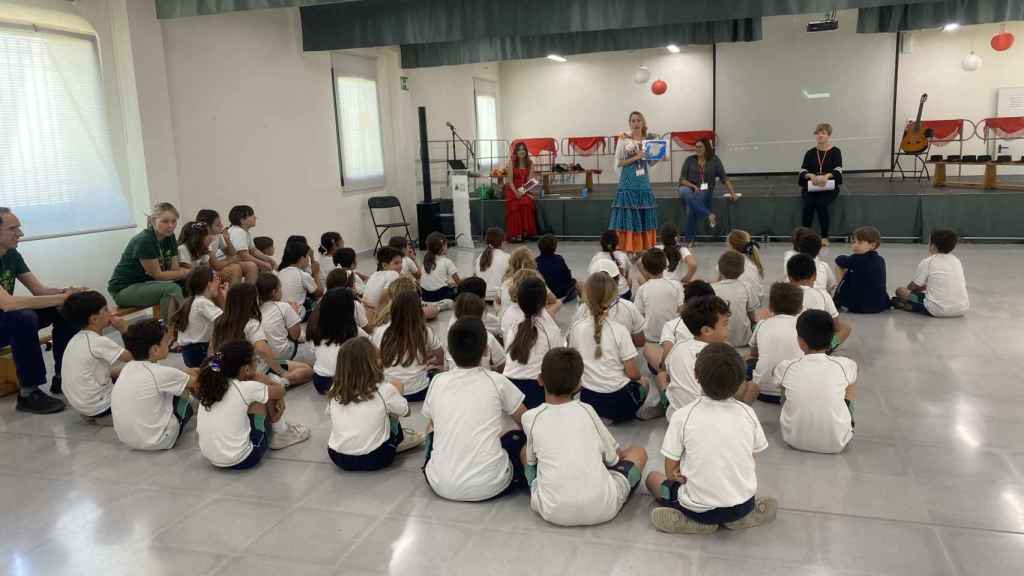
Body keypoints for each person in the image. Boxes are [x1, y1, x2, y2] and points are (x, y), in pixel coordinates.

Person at [646, 343, 777, 535]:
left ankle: (694, 520)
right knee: (736, 491)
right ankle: (737, 518)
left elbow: (670, 469)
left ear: (696, 375)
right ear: (741, 380)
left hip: (698, 508)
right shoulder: (748, 413)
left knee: (652, 479)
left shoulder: (683, 416)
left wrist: (680, 474)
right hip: (742, 505)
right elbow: (752, 458)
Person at [522, 347, 648, 526]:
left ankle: (537, 489)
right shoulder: (587, 410)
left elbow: (532, 461)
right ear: (579, 384)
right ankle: (625, 490)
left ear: (540, 379)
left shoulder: (530, 417)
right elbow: (613, 459)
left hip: (551, 511)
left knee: (524, 452)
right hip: (604, 509)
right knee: (638, 452)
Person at [423, 318, 528, 501]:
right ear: (485, 350)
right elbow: (527, 421)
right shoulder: (497, 381)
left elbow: (432, 425)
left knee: (434, 431)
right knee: (517, 438)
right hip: (490, 485)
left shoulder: (438, 381)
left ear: (450, 352)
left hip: (438, 482)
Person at [0, 207, 76, 413]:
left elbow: (38, 290)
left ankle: (63, 377)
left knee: (65, 308)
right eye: (12, 228)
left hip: (5, 319)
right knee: (22, 318)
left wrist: (67, 293)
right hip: (8, 317)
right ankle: (28, 392)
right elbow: (8, 304)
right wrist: (61, 297)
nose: (20, 234)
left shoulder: (11, 255)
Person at [568, 273, 661, 422]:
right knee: (644, 382)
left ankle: (600, 415)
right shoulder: (620, 330)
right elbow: (633, 373)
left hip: (588, 398)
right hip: (619, 400)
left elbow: (575, 362)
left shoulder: (577, 327)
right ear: (613, 298)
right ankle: (618, 416)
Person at [326, 337, 424, 471]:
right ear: (372, 364)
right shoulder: (383, 390)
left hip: (338, 456)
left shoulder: (335, 389)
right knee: (396, 386)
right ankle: (397, 437)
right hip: (375, 458)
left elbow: (329, 413)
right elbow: (406, 412)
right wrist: (396, 391)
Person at [659, 295, 758, 418]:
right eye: (725, 324)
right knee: (753, 386)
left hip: (678, 416)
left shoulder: (677, 348)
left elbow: (668, 376)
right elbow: (733, 388)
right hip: (712, 419)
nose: (729, 328)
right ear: (706, 330)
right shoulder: (721, 354)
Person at [776, 310, 857, 454]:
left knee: (784, 383)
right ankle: (844, 423)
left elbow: (775, 375)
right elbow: (854, 371)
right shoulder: (845, 364)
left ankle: (796, 417)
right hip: (837, 443)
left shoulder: (787, 366)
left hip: (793, 439)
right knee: (850, 382)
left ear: (801, 342)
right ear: (832, 337)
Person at [195, 341, 284, 469]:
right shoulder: (246, 388)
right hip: (245, 458)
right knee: (260, 399)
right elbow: (280, 391)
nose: (257, 364)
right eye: (256, 361)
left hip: (211, 458)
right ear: (247, 369)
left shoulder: (211, 386)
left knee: (257, 396)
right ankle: (279, 432)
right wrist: (261, 378)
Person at [112, 319, 197, 451]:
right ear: (155, 349)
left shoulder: (127, 368)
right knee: (185, 395)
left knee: (166, 387)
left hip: (127, 439)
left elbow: (168, 375)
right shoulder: (162, 373)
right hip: (160, 440)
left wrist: (182, 373)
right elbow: (196, 383)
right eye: (165, 341)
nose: (169, 344)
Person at [210, 283, 311, 391]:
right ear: (251, 301)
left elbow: (212, 350)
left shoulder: (219, 321)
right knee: (307, 370)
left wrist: (216, 372)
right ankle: (278, 382)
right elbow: (262, 349)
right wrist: (281, 372)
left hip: (230, 373)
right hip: (256, 370)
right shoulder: (250, 323)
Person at [107, 202, 188, 322]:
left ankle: (181, 326)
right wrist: (185, 272)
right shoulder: (144, 240)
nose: (170, 226)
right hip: (124, 289)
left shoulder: (170, 237)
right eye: (165, 221)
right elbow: (158, 275)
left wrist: (186, 275)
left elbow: (174, 269)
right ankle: (168, 331)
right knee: (172, 290)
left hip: (146, 284)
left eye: (174, 221)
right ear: (153, 220)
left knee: (187, 285)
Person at [60, 291, 132, 424]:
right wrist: (123, 329)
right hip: (101, 406)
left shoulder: (77, 339)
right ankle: (109, 414)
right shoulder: (98, 342)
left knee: (123, 371)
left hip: (82, 405)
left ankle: (97, 414)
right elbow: (134, 356)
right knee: (139, 375)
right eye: (105, 309)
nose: (111, 312)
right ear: (94, 319)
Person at [372, 289, 444, 402]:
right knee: (439, 374)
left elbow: (377, 360)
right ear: (418, 310)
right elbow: (440, 352)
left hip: (391, 391)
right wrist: (438, 362)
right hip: (419, 391)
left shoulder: (380, 331)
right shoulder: (424, 331)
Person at [609, 111, 661, 253]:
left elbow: (649, 163)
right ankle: (627, 246)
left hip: (643, 181)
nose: (636, 123)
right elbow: (619, 162)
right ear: (629, 123)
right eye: (633, 120)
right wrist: (637, 156)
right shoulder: (624, 139)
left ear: (643, 122)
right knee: (628, 212)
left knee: (643, 211)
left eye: (638, 120)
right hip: (628, 180)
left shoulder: (649, 140)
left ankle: (642, 246)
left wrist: (660, 157)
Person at [892, 229, 969, 317]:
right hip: (962, 308)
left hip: (937, 310)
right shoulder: (956, 261)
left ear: (933, 246)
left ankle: (909, 305)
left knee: (900, 291)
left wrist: (908, 292)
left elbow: (912, 286)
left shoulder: (928, 261)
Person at [678, 137, 740, 247]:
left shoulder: (714, 160)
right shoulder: (689, 160)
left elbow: (724, 178)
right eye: (696, 147)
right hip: (688, 187)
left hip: (704, 190)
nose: (697, 149)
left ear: (706, 147)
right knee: (684, 191)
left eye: (700, 147)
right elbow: (682, 180)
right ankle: (708, 214)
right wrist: (693, 186)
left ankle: (690, 239)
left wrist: (732, 193)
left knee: (690, 207)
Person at [749, 282, 804, 403]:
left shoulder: (762, 324)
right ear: (801, 307)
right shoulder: (803, 326)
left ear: (770, 306)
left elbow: (754, 353)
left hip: (762, 392)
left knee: (748, 363)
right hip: (794, 392)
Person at [573, 262, 646, 348]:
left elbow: (574, 342)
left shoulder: (582, 309)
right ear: (618, 280)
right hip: (623, 358)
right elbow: (640, 342)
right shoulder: (629, 307)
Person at [634, 248, 685, 372]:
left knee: (652, 365)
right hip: (674, 337)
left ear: (645, 269)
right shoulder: (676, 285)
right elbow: (681, 309)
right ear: (665, 266)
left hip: (651, 337)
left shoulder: (643, 289)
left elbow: (637, 316)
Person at [256, 273, 315, 375]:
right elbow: (295, 335)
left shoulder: (257, 312)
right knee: (316, 354)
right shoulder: (283, 306)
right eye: (280, 288)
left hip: (267, 360)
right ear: (274, 292)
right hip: (286, 354)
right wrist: (295, 314)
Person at [787, 254, 851, 349]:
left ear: (789, 277)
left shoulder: (782, 293)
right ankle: (825, 349)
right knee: (846, 328)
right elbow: (836, 326)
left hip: (787, 341)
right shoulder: (822, 294)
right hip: (811, 346)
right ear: (815, 276)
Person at [310, 288, 366, 394]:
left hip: (319, 381)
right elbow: (372, 347)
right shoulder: (353, 330)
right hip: (344, 382)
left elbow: (314, 352)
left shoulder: (317, 329)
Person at [798, 123, 844, 244]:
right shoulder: (810, 152)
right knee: (808, 204)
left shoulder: (835, 151)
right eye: (818, 133)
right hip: (812, 186)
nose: (820, 135)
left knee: (821, 204)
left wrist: (827, 176)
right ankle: (805, 237)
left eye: (823, 133)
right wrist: (811, 175)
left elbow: (838, 170)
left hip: (828, 186)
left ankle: (824, 237)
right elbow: (802, 171)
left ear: (828, 135)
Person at [173, 266, 226, 368]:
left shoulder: (196, 300)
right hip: (199, 351)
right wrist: (225, 297)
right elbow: (225, 321)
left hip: (191, 353)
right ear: (208, 284)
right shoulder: (202, 302)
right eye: (216, 280)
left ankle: (215, 371)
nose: (219, 283)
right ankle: (215, 372)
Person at [834, 226, 891, 314]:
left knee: (840, 266)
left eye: (859, 242)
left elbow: (839, 259)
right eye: (853, 242)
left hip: (859, 307)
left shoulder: (856, 259)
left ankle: (839, 295)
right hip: (880, 305)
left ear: (872, 245)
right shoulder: (880, 259)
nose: (855, 245)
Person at [444, 293, 505, 372]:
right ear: (481, 314)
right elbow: (502, 364)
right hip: (484, 379)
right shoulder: (487, 336)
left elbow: (446, 368)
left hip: (455, 380)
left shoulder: (450, 336)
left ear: (455, 313)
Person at [195, 209, 256, 285]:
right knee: (235, 269)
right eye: (218, 224)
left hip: (218, 266)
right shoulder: (205, 240)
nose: (222, 226)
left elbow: (232, 253)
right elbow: (216, 265)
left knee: (251, 266)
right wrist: (232, 260)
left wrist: (227, 239)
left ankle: (247, 294)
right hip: (206, 272)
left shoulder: (217, 235)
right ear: (207, 227)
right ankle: (233, 296)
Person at [658, 279, 716, 356]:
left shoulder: (671, 326)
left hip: (680, 365)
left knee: (649, 349)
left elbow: (666, 360)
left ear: (685, 303)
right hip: (712, 364)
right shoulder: (717, 323)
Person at [712, 252, 757, 348]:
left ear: (719, 269)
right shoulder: (746, 287)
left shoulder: (712, 288)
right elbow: (752, 314)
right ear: (742, 270)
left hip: (719, 339)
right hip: (744, 339)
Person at [503, 142, 539, 243]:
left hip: (525, 189)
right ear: (516, 151)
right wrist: (516, 193)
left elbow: (530, 181)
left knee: (526, 203)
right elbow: (509, 181)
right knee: (514, 206)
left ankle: (526, 233)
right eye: (519, 149)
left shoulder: (530, 163)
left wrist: (522, 192)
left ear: (526, 151)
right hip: (512, 189)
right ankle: (515, 234)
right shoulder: (511, 162)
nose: (521, 151)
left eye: (523, 149)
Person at [277, 240, 323, 316]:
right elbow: (319, 293)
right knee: (317, 304)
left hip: (281, 311)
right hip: (295, 313)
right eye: (308, 256)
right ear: (302, 258)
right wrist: (316, 274)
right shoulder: (302, 275)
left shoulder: (281, 272)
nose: (309, 259)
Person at [783, 228, 837, 293]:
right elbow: (832, 285)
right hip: (819, 298)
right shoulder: (823, 265)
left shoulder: (789, 258)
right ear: (818, 250)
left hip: (795, 298)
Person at [226, 205, 275, 272]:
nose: (255, 217)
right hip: (225, 262)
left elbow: (253, 251)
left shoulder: (246, 232)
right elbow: (243, 255)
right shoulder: (238, 231)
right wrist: (264, 263)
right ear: (242, 220)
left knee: (265, 263)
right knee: (252, 266)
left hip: (233, 261)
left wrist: (268, 259)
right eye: (252, 215)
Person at [726, 230, 765, 309]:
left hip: (742, 308)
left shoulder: (728, 263)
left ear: (731, 246)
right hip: (756, 305)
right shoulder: (754, 262)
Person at [589, 230, 632, 300]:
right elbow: (627, 275)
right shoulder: (623, 255)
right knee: (628, 280)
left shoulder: (596, 257)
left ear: (601, 243)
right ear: (617, 242)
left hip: (604, 296)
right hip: (624, 294)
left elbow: (592, 276)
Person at [535, 234, 578, 302]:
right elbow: (568, 276)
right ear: (555, 247)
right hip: (560, 293)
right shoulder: (559, 259)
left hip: (545, 293)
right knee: (575, 282)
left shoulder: (535, 261)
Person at [419, 232, 460, 303]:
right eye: (446, 244)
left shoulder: (426, 261)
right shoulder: (447, 261)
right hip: (442, 296)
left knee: (450, 284)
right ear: (443, 246)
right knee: (461, 287)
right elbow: (459, 282)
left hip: (426, 297)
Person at [498, 247, 538, 318]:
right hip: (524, 322)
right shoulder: (535, 282)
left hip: (505, 320)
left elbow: (498, 301)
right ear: (531, 262)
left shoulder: (506, 281)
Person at [474, 227, 509, 303]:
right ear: (502, 242)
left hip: (483, 296)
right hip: (499, 297)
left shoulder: (479, 257)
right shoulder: (507, 257)